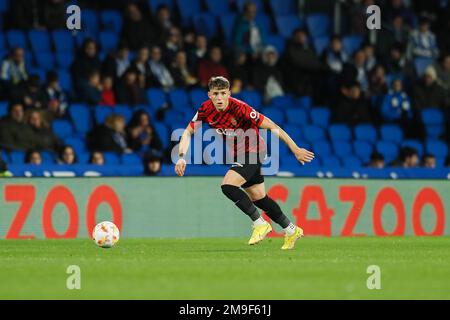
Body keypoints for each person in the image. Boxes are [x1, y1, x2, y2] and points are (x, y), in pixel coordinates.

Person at [175, 76, 315, 250]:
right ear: (209, 94)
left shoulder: (241, 108)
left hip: (255, 152)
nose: (219, 98)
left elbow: (273, 126)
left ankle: (260, 224)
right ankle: (291, 229)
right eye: (216, 94)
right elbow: (188, 132)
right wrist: (182, 156)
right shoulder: (205, 109)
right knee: (259, 198)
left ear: (229, 93)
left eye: (223, 93)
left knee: (228, 185)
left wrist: (295, 149)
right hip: (239, 155)